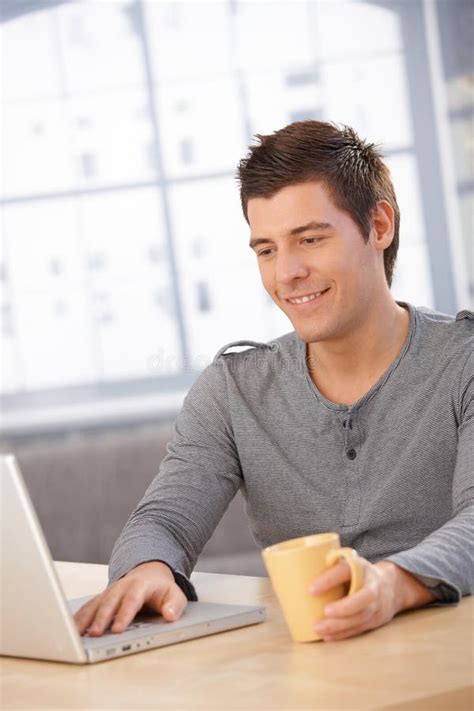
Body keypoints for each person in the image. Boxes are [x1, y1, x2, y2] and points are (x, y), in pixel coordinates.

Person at [74, 120, 473, 643]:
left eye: (309, 239)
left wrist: (393, 585)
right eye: (266, 249)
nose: (286, 273)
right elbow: (165, 521)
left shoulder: (462, 362)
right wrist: (147, 569)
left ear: (379, 225)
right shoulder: (232, 390)